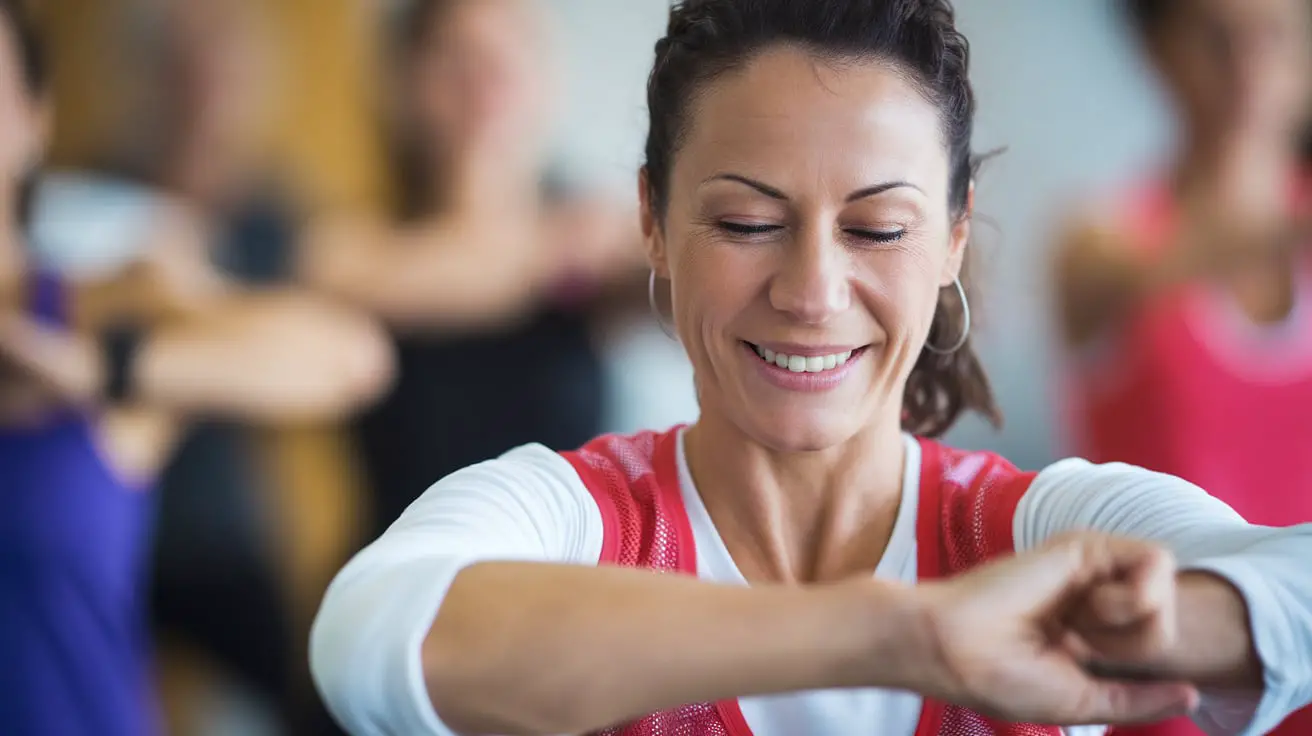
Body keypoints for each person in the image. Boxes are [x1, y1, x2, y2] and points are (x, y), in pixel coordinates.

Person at [309, 1, 1312, 735]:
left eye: (876, 227)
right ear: (652, 222)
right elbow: (368, 637)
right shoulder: (569, 514)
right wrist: (899, 635)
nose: (812, 290)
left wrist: (1159, 615)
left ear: (954, 237)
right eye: (748, 222)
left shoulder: (1035, 534)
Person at [0, 1, 394, 733]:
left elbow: (349, 356)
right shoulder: (108, 192)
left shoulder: (108, 289)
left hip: (204, 550)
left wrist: (101, 369)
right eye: (185, 67)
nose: (204, 86)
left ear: (34, 117)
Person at [1053, 1, 1312, 733]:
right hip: (1161, 686)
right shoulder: (1100, 242)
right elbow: (1158, 267)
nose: (1249, 68)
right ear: (1158, 54)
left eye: (1273, 39)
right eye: (1217, 41)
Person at [299, 0, 646, 539]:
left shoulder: (599, 229)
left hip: (563, 587)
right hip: (403, 584)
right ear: (404, 78)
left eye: (508, 49)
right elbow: (358, 280)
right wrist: (554, 251)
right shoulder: (355, 241)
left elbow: (683, 294)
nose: (486, 74)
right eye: (457, 53)